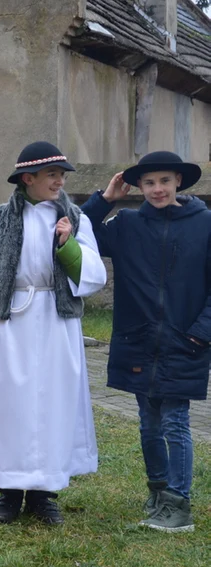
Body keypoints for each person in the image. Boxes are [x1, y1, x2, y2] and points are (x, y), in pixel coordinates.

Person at [0, 141, 107, 525]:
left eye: (62, 175)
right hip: (12, 322)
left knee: (53, 405)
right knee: (10, 405)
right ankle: (7, 493)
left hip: (58, 323)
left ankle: (45, 493)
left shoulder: (74, 218)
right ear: (28, 179)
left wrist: (66, 243)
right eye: (52, 175)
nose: (60, 181)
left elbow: (92, 276)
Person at [81, 151, 211, 532]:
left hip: (184, 341)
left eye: (165, 181)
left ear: (179, 184)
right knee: (148, 422)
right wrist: (105, 199)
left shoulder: (205, 224)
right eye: (150, 182)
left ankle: (178, 503)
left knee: (175, 422)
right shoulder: (126, 225)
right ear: (139, 186)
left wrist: (201, 332)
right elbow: (80, 230)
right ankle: (157, 492)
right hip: (137, 339)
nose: (157, 189)